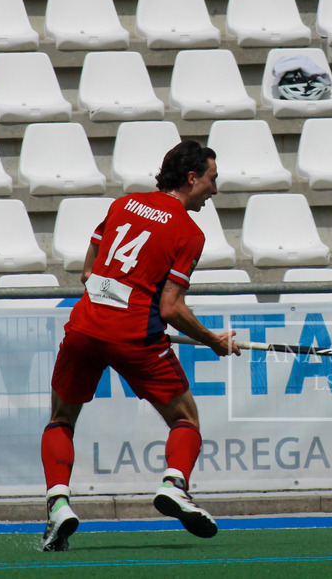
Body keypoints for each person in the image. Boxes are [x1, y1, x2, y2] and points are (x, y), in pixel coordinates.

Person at [40, 141, 238, 552]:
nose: (214, 190)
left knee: (61, 418)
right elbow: (170, 308)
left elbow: (89, 271)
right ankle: (174, 485)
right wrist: (212, 341)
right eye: (212, 180)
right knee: (185, 418)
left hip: (85, 325)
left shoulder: (124, 204)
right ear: (191, 178)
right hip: (135, 337)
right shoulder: (189, 232)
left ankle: (58, 504)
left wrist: (117, 301)